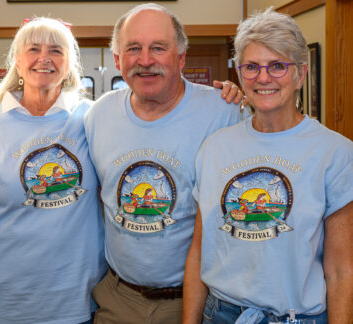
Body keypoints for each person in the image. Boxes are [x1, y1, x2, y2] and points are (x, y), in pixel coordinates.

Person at [183, 8, 352, 324]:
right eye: (251, 67)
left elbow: (342, 271)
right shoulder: (214, 148)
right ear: (240, 74)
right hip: (220, 314)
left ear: (300, 74)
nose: (263, 78)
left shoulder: (336, 153)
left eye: (277, 66)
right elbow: (197, 252)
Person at [84, 3, 248, 323]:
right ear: (118, 59)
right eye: (134, 48)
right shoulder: (96, 116)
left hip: (195, 299)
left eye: (158, 48)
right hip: (118, 298)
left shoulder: (225, 112)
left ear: (181, 57)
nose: (146, 61)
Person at [0, 17, 107, 324]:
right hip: (7, 299)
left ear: (69, 64)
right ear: (17, 60)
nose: (44, 58)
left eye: (56, 50)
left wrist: (226, 94)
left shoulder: (92, 118)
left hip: (79, 299)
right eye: (33, 49)